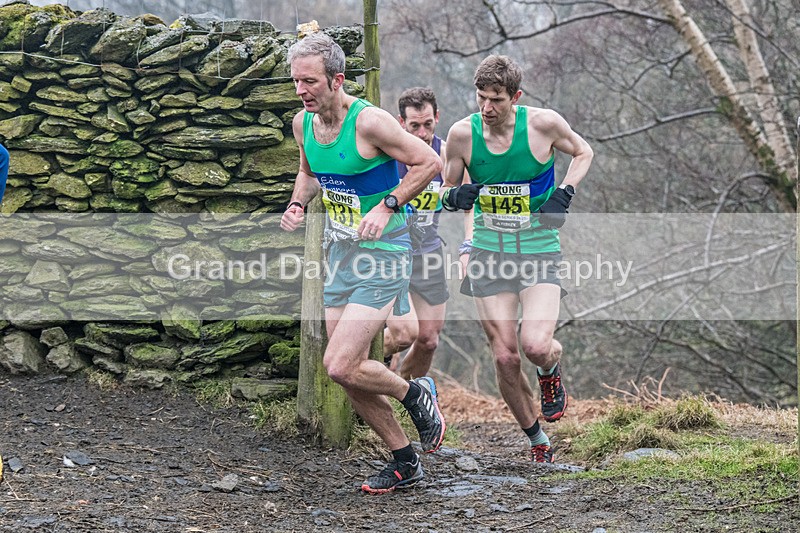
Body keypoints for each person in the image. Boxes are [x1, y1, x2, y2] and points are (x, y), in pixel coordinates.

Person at [279, 32, 446, 494]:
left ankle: (416, 392)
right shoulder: (303, 124)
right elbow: (310, 173)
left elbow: (428, 162)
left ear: (338, 79)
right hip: (341, 255)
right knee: (350, 375)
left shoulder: (369, 122)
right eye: (296, 82)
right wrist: (296, 204)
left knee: (338, 365)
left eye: (309, 81)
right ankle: (404, 459)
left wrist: (387, 204)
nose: (301, 90)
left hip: (386, 253)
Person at [441, 54, 593, 463]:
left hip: (539, 249)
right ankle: (537, 439)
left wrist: (565, 194)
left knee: (536, 345)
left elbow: (583, 152)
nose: (487, 108)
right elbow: (445, 186)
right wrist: (454, 196)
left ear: (515, 97)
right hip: (490, 252)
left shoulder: (543, 124)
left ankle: (549, 371)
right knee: (505, 356)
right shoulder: (462, 135)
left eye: (496, 100)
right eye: (481, 99)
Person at [383, 87, 451, 380]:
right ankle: (375, 369)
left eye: (428, 125)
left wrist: (470, 245)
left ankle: (404, 401)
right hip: (391, 251)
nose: (422, 134)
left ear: (436, 117)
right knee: (402, 334)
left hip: (429, 252)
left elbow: (470, 200)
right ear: (401, 123)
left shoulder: (447, 153)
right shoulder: (386, 154)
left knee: (428, 340)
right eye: (414, 126)